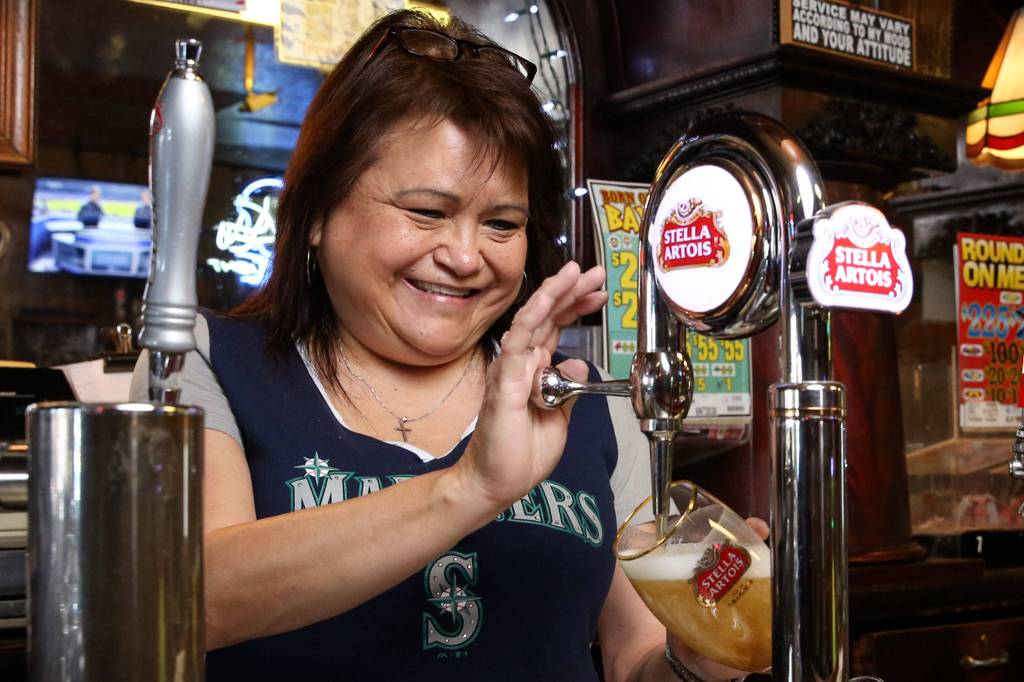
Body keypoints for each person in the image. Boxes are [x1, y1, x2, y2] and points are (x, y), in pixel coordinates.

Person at [131, 10, 765, 681]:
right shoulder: (204, 362)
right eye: (426, 212)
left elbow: (635, 657)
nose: (465, 256)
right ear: (316, 211)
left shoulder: (588, 400)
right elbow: (193, 597)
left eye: (501, 223)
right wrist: (470, 487)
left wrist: (699, 657)